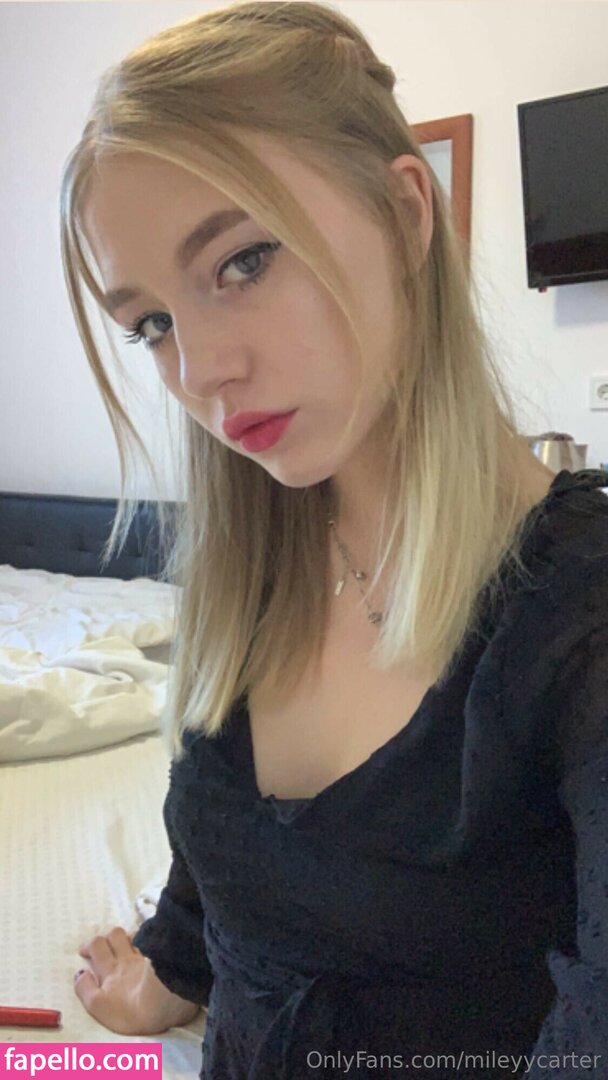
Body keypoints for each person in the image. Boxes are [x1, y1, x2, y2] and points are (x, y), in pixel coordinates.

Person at [60, 3, 608, 1077]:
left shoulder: (578, 617)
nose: (200, 371)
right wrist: (167, 974)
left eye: (243, 260)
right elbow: (225, 854)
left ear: (404, 214)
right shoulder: (251, 575)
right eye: (152, 324)